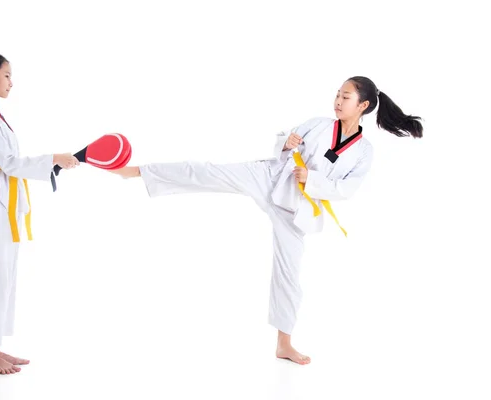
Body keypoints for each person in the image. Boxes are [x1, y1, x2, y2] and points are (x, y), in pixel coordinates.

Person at [109, 76, 423, 365]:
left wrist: (312, 179)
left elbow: (346, 189)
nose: (338, 101)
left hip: (296, 207)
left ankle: (284, 344)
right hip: (270, 177)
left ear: (363, 106)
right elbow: (287, 144)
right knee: (204, 171)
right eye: (337, 95)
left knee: (289, 273)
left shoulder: (364, 152)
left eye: (346, 97)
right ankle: (136, 172)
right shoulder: (318, 123)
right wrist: (286, 146)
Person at [0, 51, 80, 374]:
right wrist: (54, 157)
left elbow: (10, 164)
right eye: (7, 75)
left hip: (3, 196)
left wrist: (53, 161)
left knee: (3, 273)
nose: (11, 82)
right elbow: (9, 163)